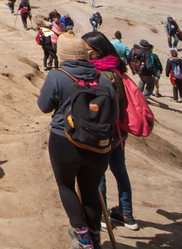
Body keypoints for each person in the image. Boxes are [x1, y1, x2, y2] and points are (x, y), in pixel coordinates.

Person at [37, 32, 118, 249]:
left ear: (61, 53)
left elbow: (44, 106)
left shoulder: (56, 75)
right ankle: (95, 237)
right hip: (99, 145)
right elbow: (115, 116)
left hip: (65, 140)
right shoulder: (103, 77)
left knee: (66, 186)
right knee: (91, 188)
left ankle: (82, 239)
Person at [84, 31, 140, 232]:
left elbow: (104, 106)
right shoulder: (115, 67)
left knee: (99, 174)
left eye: (86, 50)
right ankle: (128, 215)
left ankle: (101, 214)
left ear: (97, 51)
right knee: (120, 171)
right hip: (119, 132)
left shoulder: (103, 73)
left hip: (105, 132)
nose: (84, 53)